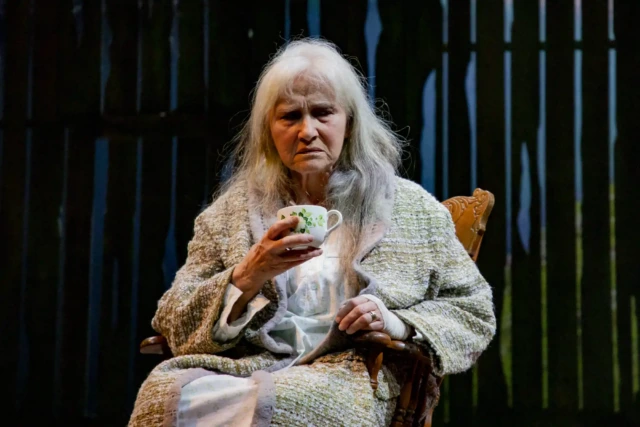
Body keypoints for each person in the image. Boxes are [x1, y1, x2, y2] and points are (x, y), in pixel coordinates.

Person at [129, 38, 496, 427]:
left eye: (323, 113)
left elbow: (473, 311)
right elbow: (174, 318)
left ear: (349, 123)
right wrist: (247, 275)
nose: (307, 131)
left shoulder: (411, 209)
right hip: (245, 368)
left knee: (287, 404)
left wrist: (395, 322)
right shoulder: (229, 214)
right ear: (269, 131)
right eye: (290, 117)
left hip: (350, 376)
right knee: (162, 395)